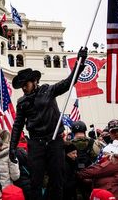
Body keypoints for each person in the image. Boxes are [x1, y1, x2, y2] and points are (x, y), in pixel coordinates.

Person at [9, 47, 88, 200]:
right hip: (36, 144)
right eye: (22, 85)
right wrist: (12, 147)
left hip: (54, 142)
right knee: (35, 181)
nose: (24, 87)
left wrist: (80, 62)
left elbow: (68, 82)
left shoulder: (48, 91)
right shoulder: (22, 102)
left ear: (34, 81)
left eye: (26, 84)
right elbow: (18, 126)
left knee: (57, 179)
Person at [71, 120, 105, 199]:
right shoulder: (95, 143)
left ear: (73, 131)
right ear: (85, 130)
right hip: (90, 177)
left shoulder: (68, 144)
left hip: (74, 178)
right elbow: (100, 160)